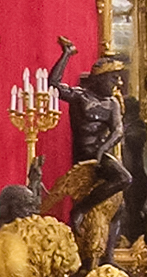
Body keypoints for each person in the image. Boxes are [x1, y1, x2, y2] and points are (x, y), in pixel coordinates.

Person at [46, 37, 131, 260]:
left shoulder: (112, 103)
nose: (117, 83)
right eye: (113, 78)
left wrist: (104, 149)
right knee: (124, 178)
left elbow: (118, 131)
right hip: (84, 154)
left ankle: (108, 256)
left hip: (100, 154)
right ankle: (80, 209)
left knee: (121, 197)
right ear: (100, 78)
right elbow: (53, 85)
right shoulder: (80, 97)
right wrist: (67, 54)